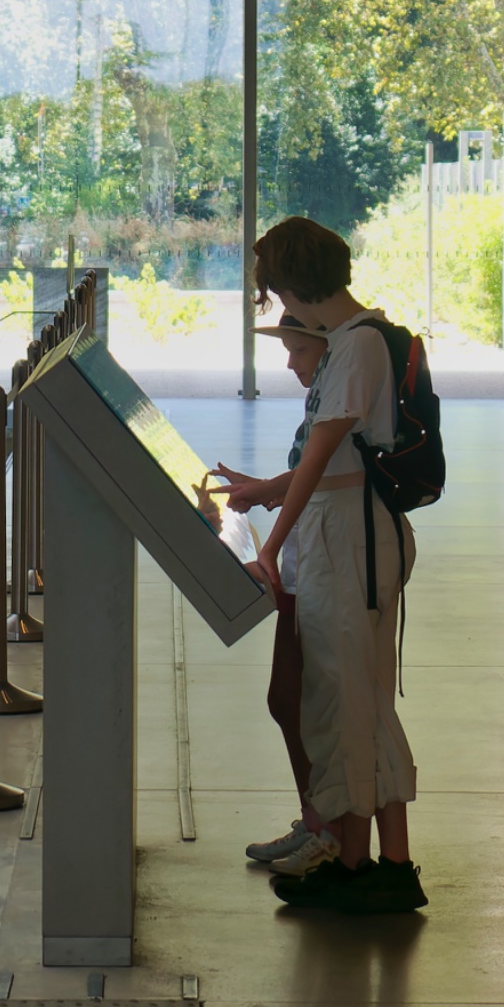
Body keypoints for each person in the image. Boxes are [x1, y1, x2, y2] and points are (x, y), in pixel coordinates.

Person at [234, 216, 427, 915]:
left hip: (350, 543)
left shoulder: (356, 345)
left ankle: (380, 868)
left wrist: (270, 543)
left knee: (353, 704)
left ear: (293, 283)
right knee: (351, 703)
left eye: (278, 289)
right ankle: (364, 861)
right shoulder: (355, 341)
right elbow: (333, 460)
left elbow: (320, 458)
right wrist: (267, 494)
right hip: (345, 535)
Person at [215, 315, 338, 877]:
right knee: (286, 697)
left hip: (319, 563)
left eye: (298, 351)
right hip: (302, 562)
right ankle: (317, 819)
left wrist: (264, 499)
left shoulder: (340, 394)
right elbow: (311, 472)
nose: (290, 363)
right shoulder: (324, 397)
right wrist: (259, 487)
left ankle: (327, 828)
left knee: (298, 698)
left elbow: (325, 470)